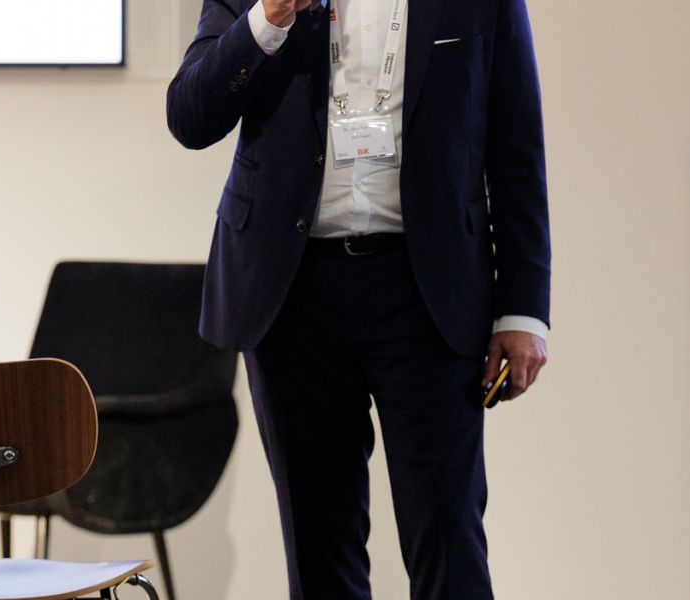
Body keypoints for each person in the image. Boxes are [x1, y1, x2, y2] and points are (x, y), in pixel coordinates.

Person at [167, 0, 550, 597]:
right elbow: (190, 117)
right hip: (292, 292)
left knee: (448, 538)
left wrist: (523, 309)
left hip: (428, 290)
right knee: (319, 547)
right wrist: (269, 17)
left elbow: (517, 143)